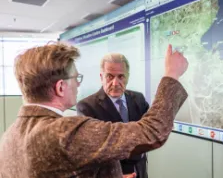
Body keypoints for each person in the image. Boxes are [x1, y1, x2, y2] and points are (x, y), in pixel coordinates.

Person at [0, 42, 188, 178]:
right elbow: (151, 132)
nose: (77, 83)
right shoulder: (64, 133)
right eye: (75, 77)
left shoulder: (8, 138)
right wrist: (172, 74)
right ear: (60, 87)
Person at [76, 53, 149, 178]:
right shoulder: (86, 107)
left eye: (121, 76)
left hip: (140, 171)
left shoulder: (138, 98)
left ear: (128, 77)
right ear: (101, 77)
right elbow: (94, 151)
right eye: (109, 76)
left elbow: (149, 131)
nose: (115, 83)